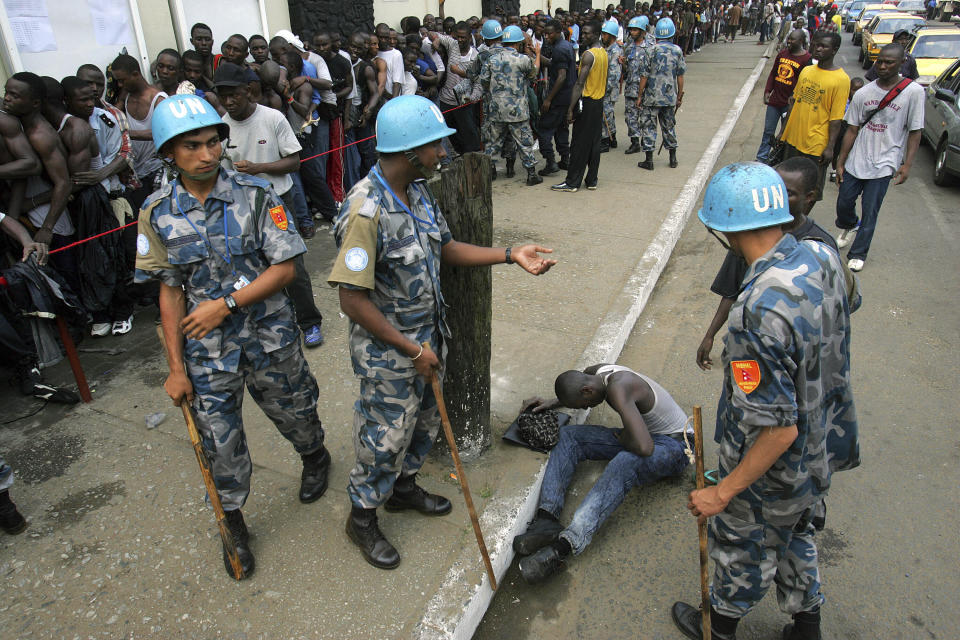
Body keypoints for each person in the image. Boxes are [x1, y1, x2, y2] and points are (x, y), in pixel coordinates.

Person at [327, 95, 556, 570]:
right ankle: (363, 515)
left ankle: (403, 488)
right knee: (383, 435)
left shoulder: (418, 190)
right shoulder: (365, 213)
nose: (443, 154)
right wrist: (411, 350)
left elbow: (447, 249)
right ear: (409, 151)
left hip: (429, 340)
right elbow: (352, 300)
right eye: (434, 146)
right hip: (392, 354)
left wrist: (510, 254)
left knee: (426, 422)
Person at [135, 94, 331, 580]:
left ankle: (315, 456)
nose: (206, 155)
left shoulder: (256, 192)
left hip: (269, 338)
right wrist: (176, 369)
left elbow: (285, 268)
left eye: (211, 143)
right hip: (207, 354)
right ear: (167, 155)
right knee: (219, 443)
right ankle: (233, 523)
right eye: (191, 147)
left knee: (298, 411)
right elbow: (170, 292)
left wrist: (224, 305)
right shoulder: (157, 211)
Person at [672, 162, 859, 640]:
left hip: (774, 467)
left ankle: (719, 627)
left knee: (739, 547)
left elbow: (778, 429)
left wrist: (724, 490)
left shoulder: (755, 310)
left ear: (722, 230)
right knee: (797, 534)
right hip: (819, 450)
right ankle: (806, 625)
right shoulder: (821, 256)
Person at [513, 364, 692, 583]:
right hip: (643, 435)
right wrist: (551, 402)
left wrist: (627, 439)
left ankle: (564, 546)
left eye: (585, 404)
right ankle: (546, 518)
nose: (587, 407)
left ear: (588, 391)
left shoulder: (618, 388)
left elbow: (645, 448)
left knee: (625, 461)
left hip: (676, 446)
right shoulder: (595, 372)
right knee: (568, 436)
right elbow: (577, 391)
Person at [696, 156, 847, 370]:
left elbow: (759, 402)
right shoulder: (823, 251)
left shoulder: (754, 314)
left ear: (729, 231)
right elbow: (852, 298)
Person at [215, 62, 326, 348]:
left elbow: (294, 161)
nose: (228, 101)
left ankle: (309, 322)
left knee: (293, 267)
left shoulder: (272, 118)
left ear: (248, 91)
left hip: (278, 202)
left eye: (234, 94)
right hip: (243, 207)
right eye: (222, 95)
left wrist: (257, 168)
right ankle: (273, 326)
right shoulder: (221, 127)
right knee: (256, 270)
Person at [835, 44, 923, 273]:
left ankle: (859, 253)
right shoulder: (864, 93)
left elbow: (915, 131)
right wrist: (841, 161)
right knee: (844, 201)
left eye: (889, 62)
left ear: (901, 63)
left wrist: (907, 164)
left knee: (870, 209)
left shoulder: (913, 92)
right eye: (880, 61)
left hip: (885, 161)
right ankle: (849, 224)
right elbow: (851, 129)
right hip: (858, 158)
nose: (883, 66)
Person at [2, 73, 74, 287]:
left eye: (15, 96)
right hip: (31, 206)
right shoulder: (18, 122)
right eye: (6, 92)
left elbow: (64, 183)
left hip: (52, 212)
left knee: (65, 266)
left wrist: (48, 227)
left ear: (34, 103)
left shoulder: (40, 135)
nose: (7, 99)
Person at [778, 32, 849, 201]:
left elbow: (836, 118)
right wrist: (783, 131)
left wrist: (830, 147)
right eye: (816, 45)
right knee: (787, 182)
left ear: (835, 50)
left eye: (823, 46)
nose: (818, 49)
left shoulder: (841, 79)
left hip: (816, 142)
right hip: (794, 138)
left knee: (812, 188)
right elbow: (794, 101)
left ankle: (800, 222)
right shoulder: (807, 71)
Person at [481, 24, 543, 185]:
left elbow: (484, 81)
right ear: (518, 43)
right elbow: (533, 73)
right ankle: (531, 174)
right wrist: (537, 54)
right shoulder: (522, 59)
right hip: (518, 110)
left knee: (492, 143)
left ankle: (488, 173)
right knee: (525, 142)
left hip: (496, 110)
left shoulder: (491, 59)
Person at [550, 22, 607, 192]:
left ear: (597, 34)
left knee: (578, 144)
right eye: (583, 33)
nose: (583, 36)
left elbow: (579, 84)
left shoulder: (588, 55)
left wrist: (570, 109)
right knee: (594, 143)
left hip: (588, 102)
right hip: (598, 103)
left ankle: (572, 182)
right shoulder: (603, 53)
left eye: (588, 33)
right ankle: (592, 180)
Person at [110, 54, 167, 212]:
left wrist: (126, 133)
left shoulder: (158, 99)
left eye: (123, 80)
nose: (120, 85)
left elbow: (164, 133)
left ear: (136, 74)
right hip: (136, 174)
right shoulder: (126, 97)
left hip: (157, 170)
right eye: (117, 81)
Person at [636, 18, 685, 171]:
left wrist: (639, 95)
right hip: (669, 97)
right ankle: (673, 158)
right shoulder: (677, 50)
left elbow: (644, 76)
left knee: (649, 127)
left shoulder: (650, 50)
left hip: (651, 97)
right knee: (669, 127)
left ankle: (649, 161)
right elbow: (680, 76)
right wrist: (679, 96)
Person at [756, 30, 812, 163]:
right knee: (768, 131)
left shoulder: (806, 59)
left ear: (801, 41)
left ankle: (780, 159)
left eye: (793, 39)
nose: (790, 41)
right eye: (789, 39)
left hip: (790, 105)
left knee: (785, 134)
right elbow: (773, 73)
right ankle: (761, 158)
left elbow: (805, 83)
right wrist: (767, 91)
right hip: (775, 102)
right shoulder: (782, 55)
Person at [536, 19, 576, 176]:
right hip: (566, 97)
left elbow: (561, 76)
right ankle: (565, 159)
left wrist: (548, 99)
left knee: (544, 129)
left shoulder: (560, 49)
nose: (547, 36)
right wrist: (536, 55)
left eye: (550, 33)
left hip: (559, 98)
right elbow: (554, 65)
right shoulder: (566, 46)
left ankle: (550, 161)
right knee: (561, 128)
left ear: (559, 32)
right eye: (545, 33)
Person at [622, 15, 654, 155]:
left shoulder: (651, 47)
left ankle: (645, 141)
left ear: (642, 31)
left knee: (645, 117)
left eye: (636, 30)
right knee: (630, 116)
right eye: (631, 30)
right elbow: (627, 68)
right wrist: (623, 62)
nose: (632, 33)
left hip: (646, 88)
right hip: (631, 87)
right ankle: (635, 142)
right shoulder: (628, 46)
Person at [600, 20, 623, 153]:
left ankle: (605, 141)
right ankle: (612, 137)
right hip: (606, 87)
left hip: (608, 89)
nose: (603, 36)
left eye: (605, 34)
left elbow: (614, 75)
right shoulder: (606, 49)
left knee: (605, 115)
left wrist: (604, 90)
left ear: (612, 36)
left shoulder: (615, 51)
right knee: (609, 114)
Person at [375, 23, 405, 98]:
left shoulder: (396, 54)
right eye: (380, 37)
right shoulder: (374, 51)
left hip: (389, 98)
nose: (383, 40)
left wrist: (393, 102)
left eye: (386, 38)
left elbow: (397, 82)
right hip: (375, 96)